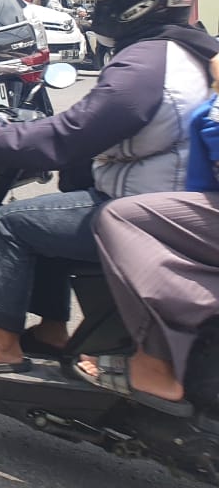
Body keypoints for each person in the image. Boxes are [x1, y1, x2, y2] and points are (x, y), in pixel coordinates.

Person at [0, 0, 217, 373]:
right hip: (178, 201)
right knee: (62, 197)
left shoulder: (144, 65)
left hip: (144, 212)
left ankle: (3, 345)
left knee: (14, 223)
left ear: (136, 2)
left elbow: (71, 133)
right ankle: (54, 329)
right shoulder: (193, 48)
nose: (95, 8)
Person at [76, 56, 219, 414]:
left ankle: (155, 364)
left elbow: (79, 129)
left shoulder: (164, 62)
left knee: (120, 217)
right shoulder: (187, 53)